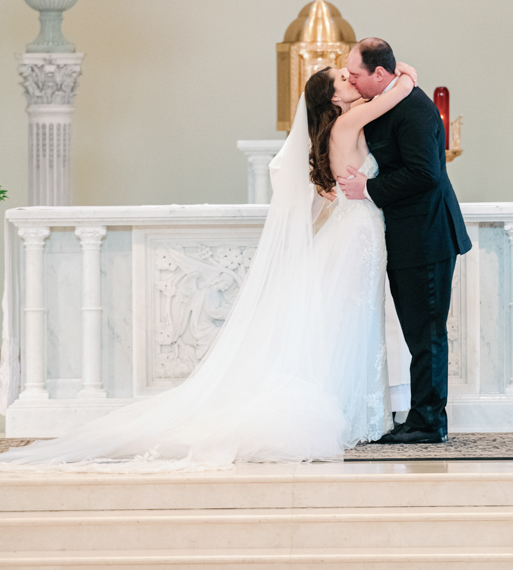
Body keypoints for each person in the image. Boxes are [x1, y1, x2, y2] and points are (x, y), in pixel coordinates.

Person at [0, 62, 417, 470]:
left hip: (356, 234)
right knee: (352, 319)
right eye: (343, 78)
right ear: (331, 100)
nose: (351, 79)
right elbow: (396, 92)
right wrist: (402, 75)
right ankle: (355, 413)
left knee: (352, 321)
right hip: (356, 236)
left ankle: (359, 411)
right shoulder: (349, 123)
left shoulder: (343, 126)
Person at [338, 38, 471, 444]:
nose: (352, 81)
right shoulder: (395, 96)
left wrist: (369, 189)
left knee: (426, 333)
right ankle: (420, 416)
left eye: (356, 74)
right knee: (418, 332)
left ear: (379, 74)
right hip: (409, 237)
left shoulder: (413, 110)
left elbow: (425, 174)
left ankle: (429, 422)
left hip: (427, 236)